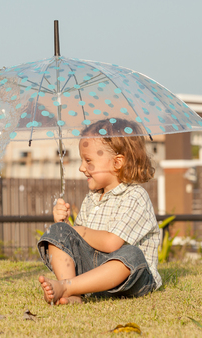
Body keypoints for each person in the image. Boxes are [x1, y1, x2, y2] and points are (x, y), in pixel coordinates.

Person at [38, 118, 161, 305]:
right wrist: (65, 226)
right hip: (96, 276)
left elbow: (112, 244)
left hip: (130, 278)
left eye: (88, 161)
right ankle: (73, 294)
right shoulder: (92, 197)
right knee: (58, 231)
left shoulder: (136, 196)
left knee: (132, 255)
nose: (81, 168)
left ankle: (66, 286)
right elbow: (80, 243)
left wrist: (77, 230)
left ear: (117, 163)